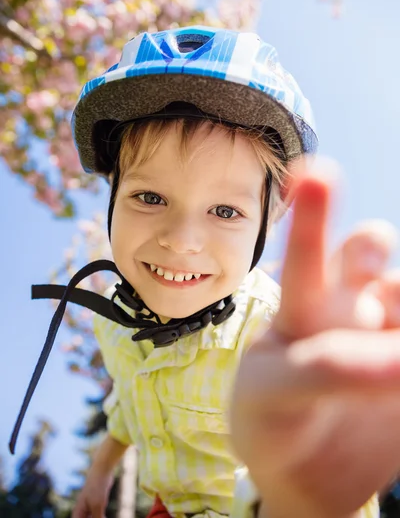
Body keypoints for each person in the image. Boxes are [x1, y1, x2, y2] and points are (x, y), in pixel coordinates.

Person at [9, 26, 400, 518]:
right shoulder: (111, 319)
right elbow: (128, 408)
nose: (181, 240)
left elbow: (322, 474)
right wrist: (100, 470)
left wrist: (295, 502)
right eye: (149, 197)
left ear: (266, 225)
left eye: (225, 211)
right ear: (111, 199)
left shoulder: (271, 338)